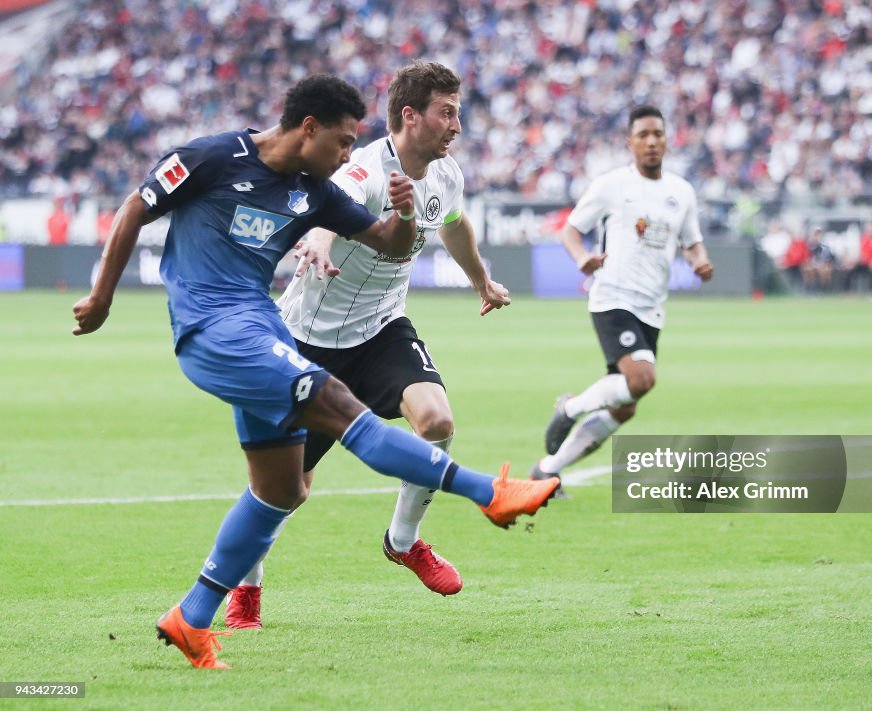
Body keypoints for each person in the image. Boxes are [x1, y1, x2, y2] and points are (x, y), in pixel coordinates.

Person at [71, 74, 559, 670]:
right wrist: (101, 297)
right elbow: (134, 209)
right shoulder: (210, 157)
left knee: (282, 489)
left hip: (264, 329)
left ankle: (192, 617)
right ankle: (490, 493)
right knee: (343, 410)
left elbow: (386, 239)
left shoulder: (315, 188)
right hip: (217, 334)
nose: (349, 155)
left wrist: (405, 215)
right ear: (309, 128)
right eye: (343, 142)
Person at [223, 62, 510, 629]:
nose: (456, 124)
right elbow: (331, 205)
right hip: (307, 343)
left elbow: (453, 225)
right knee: (285, 489)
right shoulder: (366, 168)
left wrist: (481, 280)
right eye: (445, 112)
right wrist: (319, 240)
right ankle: (246, 590)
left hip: (381, 330)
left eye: (458, 112)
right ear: (410, 115)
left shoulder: (446, 173)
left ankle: (404, 540)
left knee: (436, 421)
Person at [532, 105, 713, 493]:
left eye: (658, 134)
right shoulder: (611, 185)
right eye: (643, 135)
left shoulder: (681, 192)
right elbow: (570, 231)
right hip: (613, 297)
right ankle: (570, 408)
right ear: (629, 142)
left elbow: (692, 242)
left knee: (625, 404)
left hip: (652, 307)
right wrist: (583, 259)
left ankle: (547, 469)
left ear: (667, 140)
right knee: (642, 378)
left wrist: (699, 261)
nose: (651, 142)